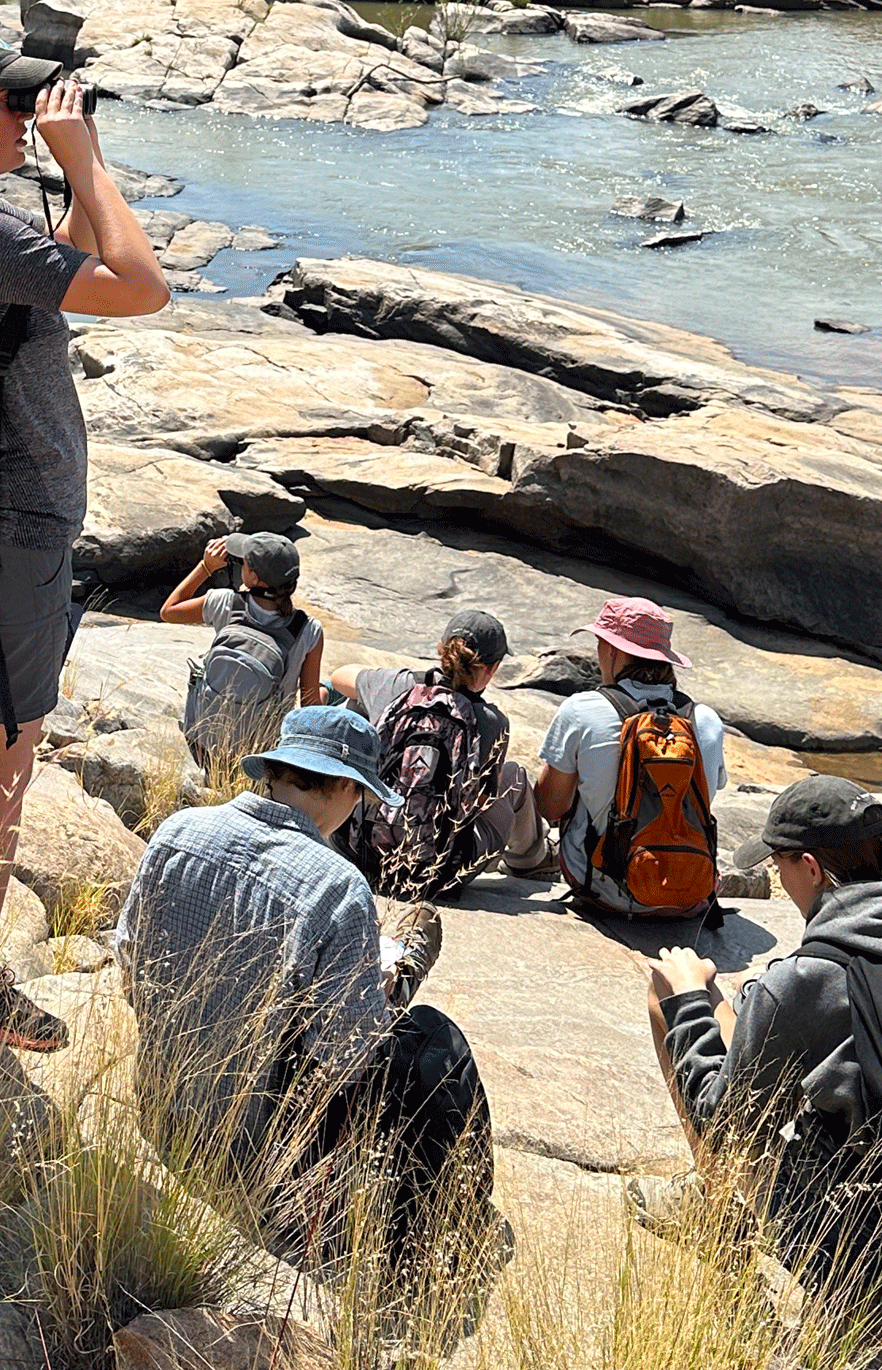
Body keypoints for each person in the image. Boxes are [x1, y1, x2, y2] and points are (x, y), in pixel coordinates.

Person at [0, 22, 168, 1050]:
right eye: (9, 104)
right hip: (5, 536)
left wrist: (67, 175)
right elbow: (140, 286)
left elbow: (91, 260)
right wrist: (83, 162)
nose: (27, 120)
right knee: (0, 770)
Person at [114, 706, 496, 1270]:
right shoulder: (337, 885)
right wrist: (385, 988)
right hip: (250, 1152)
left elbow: (131, 964)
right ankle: (429, 1236)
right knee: (432, 1038)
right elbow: (349, 1055)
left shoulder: (177, 830)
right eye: (361, 795)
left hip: (162, 1110)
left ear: (275, 770)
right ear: (345, 786)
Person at [643, 776, 882, 1282]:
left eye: (779, 863)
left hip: (860, 1247)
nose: (777, 874)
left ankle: (717, 1216)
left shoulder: (809, 978)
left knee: (668, 995)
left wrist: (690, 999)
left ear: (812, 869)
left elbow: (721, 1121)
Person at [329, 610, 557, 897]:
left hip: (360, 854)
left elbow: (339, 676)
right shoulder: (492, 723)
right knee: (514, 777)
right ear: (493, 668)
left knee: (353, 709)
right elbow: (480, 803)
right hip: (436, 875)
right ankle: (531, 861)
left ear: (443, 649)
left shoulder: (397, 686)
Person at [534, 596, 726, 917]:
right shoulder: (705, 720)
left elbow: (550, 806)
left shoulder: (581, 710)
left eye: (598, 644)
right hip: (689, 890)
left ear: (613, 650)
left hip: (606, 892)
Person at [160, 532, 324, 764]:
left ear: (253, 578)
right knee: (325, 691)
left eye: (243, 563)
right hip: (259, 752)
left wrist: (206, 567)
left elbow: (169, 611)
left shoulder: (226, 603)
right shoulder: (309, 630)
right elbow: (310, 709)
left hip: (204, 739)